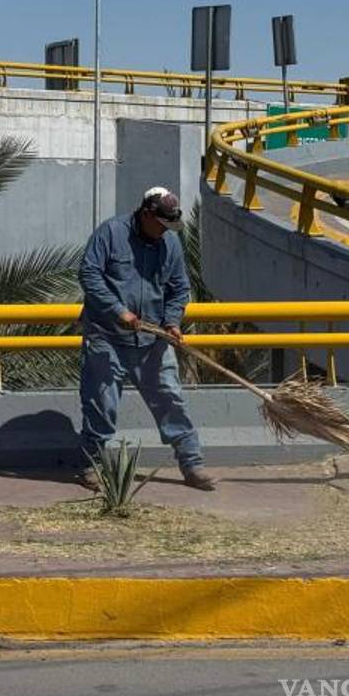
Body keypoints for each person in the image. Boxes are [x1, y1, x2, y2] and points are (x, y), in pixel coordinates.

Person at [77, 186, 215, 491]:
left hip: (152, 338)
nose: (165, 231)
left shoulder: (171, 244)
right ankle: (93, 463)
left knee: (170, 398)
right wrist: (118, 311)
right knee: (101, 401)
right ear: (146, 214)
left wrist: (173, 321)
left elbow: (179, 289)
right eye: (161, 224)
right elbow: (89, 274)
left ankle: (192, 463)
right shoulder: (110, 234)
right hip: (106, 336)